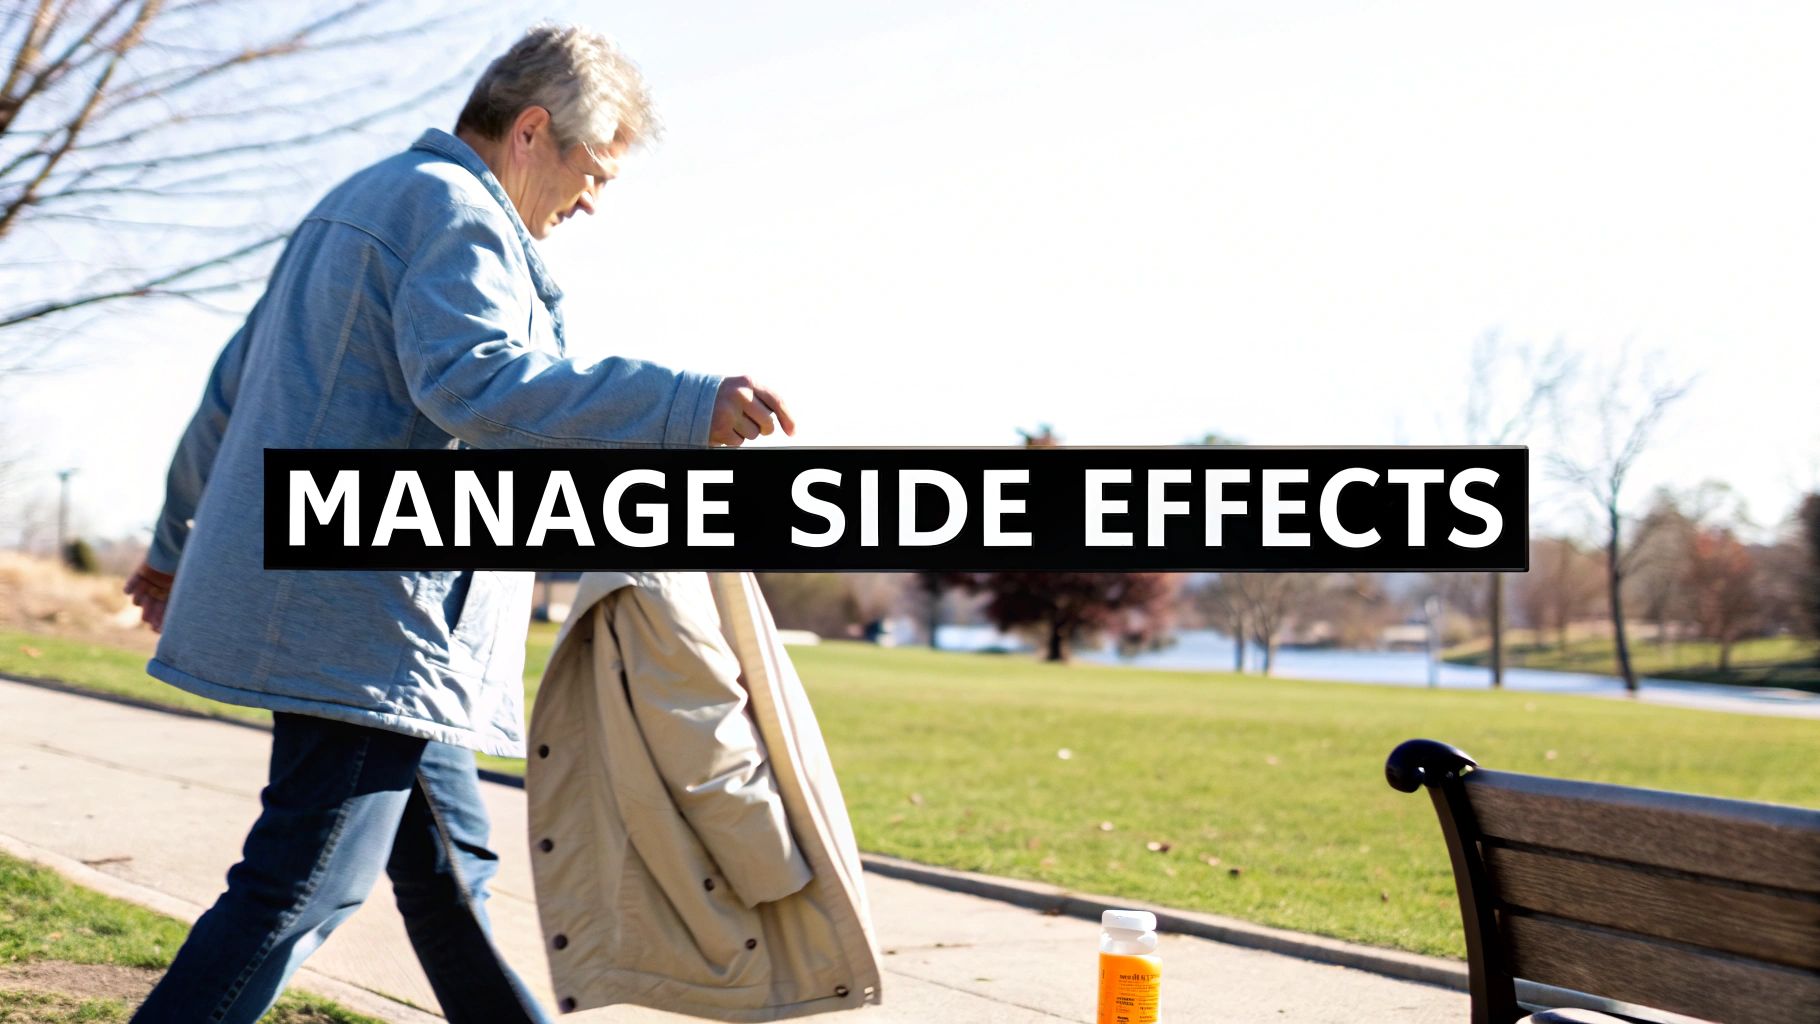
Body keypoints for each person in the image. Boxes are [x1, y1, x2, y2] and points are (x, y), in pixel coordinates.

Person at [121, 24, 791, 1024]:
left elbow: (233, 387)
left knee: (448, 878)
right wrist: (679, 406)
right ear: (532, 132)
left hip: (379, 628)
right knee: (301, 886)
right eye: (593, 170)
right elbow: (477, 383)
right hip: (368, 622)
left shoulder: (363, 201)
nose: (594, 200)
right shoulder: (455, 212)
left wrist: (175, 547)